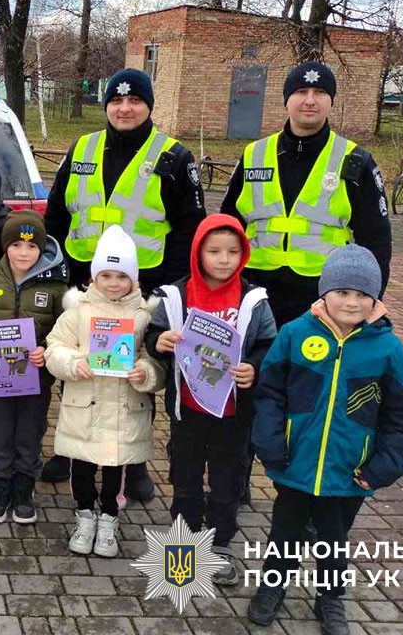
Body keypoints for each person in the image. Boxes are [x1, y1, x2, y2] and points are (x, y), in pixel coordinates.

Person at [43, 67, 206, 493]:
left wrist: (169, 290)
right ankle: (72, 449)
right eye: (116, 100)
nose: (125, 107)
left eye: (135, 100)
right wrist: (58, 270)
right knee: (78, 368)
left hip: (143, 292)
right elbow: (57, 214)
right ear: (107, 104)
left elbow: (190, 230)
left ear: (149, 105)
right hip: (84, 285)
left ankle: (132, 463)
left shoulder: (174, 157)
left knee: (136, 374)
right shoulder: (82, 147)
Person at [247, 246, 403, 634]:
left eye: (362, 295)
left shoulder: (387, 348)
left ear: (375, 298)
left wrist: (384, 465)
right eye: (342, 292)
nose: (351, 302)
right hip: (295, 464)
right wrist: (271, 445)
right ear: (324, 291)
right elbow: (270, 393)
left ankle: (331, 596)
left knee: (334, 539)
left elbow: (402, 414)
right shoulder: (294, 334)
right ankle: (273, 587)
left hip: (349, 472)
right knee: (285, 532)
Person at [146, 214, 278, 583]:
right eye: (214, 251)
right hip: (188, 409)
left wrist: (254, 366)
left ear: (244, 254)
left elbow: (269, 343)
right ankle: (183, 545)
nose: (224, 259)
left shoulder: (253, 300)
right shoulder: (175, 296)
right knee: (184, 478)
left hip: (233, 414)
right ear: (198, 253)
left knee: (227, 480)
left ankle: (220, 543)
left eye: (233, 251)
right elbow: (152, 337)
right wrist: (159, 342)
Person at [221, 61, 392, 328]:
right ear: (286, 100)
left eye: (320, 93)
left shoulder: (355, 160)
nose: (310, 101)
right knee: (254, 368)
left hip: (324, 296)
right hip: (255, 290)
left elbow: (376, 240)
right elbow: (227, 225)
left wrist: (370, 300)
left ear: (331, 101)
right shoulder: (254, 154)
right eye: (301, 92)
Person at [46, 226, 165, 557]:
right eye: (106, 275)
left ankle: (109, 518)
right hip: (86, 406)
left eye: (122, 276)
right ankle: (85, 515)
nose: (114, 283)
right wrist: (73, 363)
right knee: (81, 469)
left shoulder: (143, 315)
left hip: (124, 410)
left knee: (116, 472)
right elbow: (54, 347)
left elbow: (153, 357)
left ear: (134, 278)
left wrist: (146, 372)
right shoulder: (78, 311)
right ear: (94, 276)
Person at [0, 211, 69, 525]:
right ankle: (0, 488)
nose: (24, 252)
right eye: (17, 245)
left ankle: (24, 489)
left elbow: (66, 331)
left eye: (32, 246)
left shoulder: (56, 287)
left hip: (36, 380)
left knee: (30, 435)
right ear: (5, 246)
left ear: (42, 249)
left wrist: (47, 350)